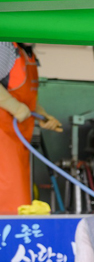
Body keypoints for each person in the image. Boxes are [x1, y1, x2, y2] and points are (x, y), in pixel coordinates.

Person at [0, 42, 62, 214]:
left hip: (18, 139)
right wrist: (15, 107)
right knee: (8, 197)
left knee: (19, 198)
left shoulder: (27, 52)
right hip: (3, 137)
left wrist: (42, 115)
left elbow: (26, 95)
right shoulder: (5, 47)